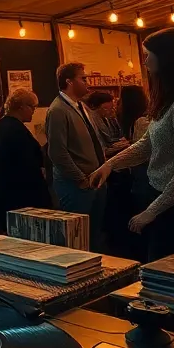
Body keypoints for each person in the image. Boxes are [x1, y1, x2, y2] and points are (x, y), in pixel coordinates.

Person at [90, 28, 174, 260]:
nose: (144, 61)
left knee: (169, 276)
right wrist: (110, 165)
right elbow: (146, 144)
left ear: (166, 57)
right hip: (169, 202)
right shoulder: (173, 99)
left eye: (147, 55)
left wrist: (151, 212)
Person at [46, 62, 107, 245]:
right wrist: (80, 178)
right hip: (76, 186)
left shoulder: (82, 106)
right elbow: (57, 152)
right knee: (77, 239)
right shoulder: (58, 110)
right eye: (83, 78)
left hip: (95, 180)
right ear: (69, 82)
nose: (88, 82)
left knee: (94, 236)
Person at [0, 89, 50, 230]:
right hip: (18, 198)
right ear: (22, 107)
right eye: (33, 107)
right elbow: (27, 165)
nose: (34, 111)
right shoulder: (15, 130)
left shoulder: (2, 125)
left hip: (4, 195)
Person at [86, 91, 128, 155]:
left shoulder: (106, 118)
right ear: (94, 107)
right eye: (105, 109)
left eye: (112, 108)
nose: (111, 111)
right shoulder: (91, 119)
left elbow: (110, 138)